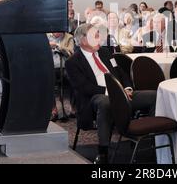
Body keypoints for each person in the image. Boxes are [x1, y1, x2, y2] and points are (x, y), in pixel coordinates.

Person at [65, 24, 156, 164]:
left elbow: (120, 72)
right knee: (105, 102)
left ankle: (148, 141)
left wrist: (127, 87)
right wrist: (114, 92)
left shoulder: (106, 53)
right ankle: (103, 152)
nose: (100, 39)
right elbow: (84, 88)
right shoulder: (73, 62)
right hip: (94, 99)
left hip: (122, 93)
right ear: (83, 40)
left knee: (155, 96)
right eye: (95, 36)